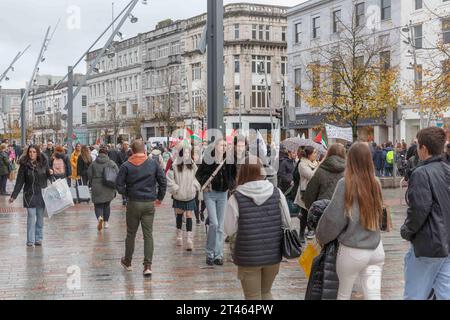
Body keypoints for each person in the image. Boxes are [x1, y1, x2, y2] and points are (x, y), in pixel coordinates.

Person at [316, 142, 385, 300]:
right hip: (376, 249)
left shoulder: (345, 184)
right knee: (373, 295)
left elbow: (333, 219)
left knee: (343, 294)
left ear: (350, 159)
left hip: (353, 251)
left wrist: (321, 236)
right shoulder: (376, 182)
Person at [224, 156, 292, 300]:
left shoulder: (235, 198)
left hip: (247, 255)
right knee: (266, 292)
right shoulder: (277, 193)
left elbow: (229, 230)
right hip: (273, 252)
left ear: (242, 173)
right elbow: (287, 222)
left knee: (252, 296)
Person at [401, 127, 450, 300]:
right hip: (446, 244)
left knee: (414, 294)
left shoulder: (421, 173)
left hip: (428, 245)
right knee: (445, 293)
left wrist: (407, 230)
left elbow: (419, 210)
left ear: (424, 149)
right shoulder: (447, 169)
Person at [116, 140, 167, 277]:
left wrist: (127, 194)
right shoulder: (153, 164)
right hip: (149, 203)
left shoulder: (126, 165)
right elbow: (163, 181)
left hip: (133, 202)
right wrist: (159, 197)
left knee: (131, 234)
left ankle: (128, 261)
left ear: (131, 150)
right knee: (148, 234)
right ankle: (147, 265)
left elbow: (119, 185)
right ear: (144, 149)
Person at [196, 138, 237, 266]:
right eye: (221, 144)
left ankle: (218, 255)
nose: (224, 147)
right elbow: (198, 174)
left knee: (220, 225)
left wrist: (229, 185)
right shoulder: (209, 158)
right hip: (210, 194)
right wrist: (205, 183)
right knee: (213, 223)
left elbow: (233, 175)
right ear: (215, 146)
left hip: (223, 194)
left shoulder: (229, 160)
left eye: (225, 145)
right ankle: (209, 253)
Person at [9, 145, 53, 247]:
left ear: (37, 153)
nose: (31, 154)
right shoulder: (24, 165)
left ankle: (38, 239)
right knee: (31, 217)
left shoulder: (43, 163)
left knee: (40, 218)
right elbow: (19, 182)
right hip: (29, 194)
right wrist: (14, 196)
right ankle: (30, 240)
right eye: (30, 152)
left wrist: (50, 173)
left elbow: (48, 176)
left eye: (34, 152)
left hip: (41, 194)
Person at [167, 144, 201, 251]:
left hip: (190, 194)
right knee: (179, 215)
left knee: (189, 215)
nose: (186, 154)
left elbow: (197, 177)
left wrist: (194, 186)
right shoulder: (175, 165)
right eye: (184, 152)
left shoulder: (193, 165)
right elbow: (169, 178)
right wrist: (176, 189)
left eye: (188, 152)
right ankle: (179, 236)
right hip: (179, 195)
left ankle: (189, 239)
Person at [303, 143, 346, 210]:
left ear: (329, 153)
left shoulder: (320, 171)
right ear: (344, 154)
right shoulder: (349, 172)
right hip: (342, 211)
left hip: (322, 210)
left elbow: (310, 196)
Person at [87, 146, 119, 231]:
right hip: (108, 186)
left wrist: (93, 181)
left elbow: (89, 174)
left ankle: (99, 218)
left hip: (96, 186)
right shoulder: (111, 163)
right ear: (106, 153)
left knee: (98, 205)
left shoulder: (93, 163)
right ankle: (106, 222)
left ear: (99, 154)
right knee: (107, 205)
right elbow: (117, 173)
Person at [294, 146, 319, 241]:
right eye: (314, 153)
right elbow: (311, 175)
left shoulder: (315, 163)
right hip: (304, 193)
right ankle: (301, 234)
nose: (316, 154)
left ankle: (310, 231)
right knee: (304, 213)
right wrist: (319, 167)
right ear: (309, 155)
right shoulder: (302, 164)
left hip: (314, 191)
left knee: (311, 213)